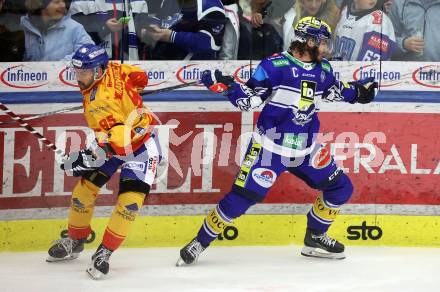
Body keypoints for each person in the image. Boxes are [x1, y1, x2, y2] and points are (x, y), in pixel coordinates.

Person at [176, 16, 377, 266]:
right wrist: (226, 87)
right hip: (269, 149)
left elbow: (335, 89)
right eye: (322, 43)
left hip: (306, 149)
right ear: (307, 41)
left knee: (341, 187)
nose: (326, 49)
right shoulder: (274, 66)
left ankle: (315, 236)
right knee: (241, 198)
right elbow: (250, 100)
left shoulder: (323, 69)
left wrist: (359, 92)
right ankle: (199, 242)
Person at [46, 44, 160, 279]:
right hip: (113, 140)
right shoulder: (116, 68)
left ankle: (104, 252)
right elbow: (141, 78)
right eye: (76, 71)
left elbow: (118, 144)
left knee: (129, 203)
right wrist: (130, 95)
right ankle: (76, 240)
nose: (79, 77)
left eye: (84, 72)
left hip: (140, 147)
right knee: (83, 192)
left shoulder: (100, 104)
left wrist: (86, 159)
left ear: (98, 70)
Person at [142, 0, 226, 60]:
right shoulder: (167, 2)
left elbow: (208, 43)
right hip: (159, 67)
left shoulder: (211, 4)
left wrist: (172, 36)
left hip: (193, 72)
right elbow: (162, 21)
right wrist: (150, 29)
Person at [69, 0, 149, 61]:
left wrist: (148, 33)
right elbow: (74, 31)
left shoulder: (139, 2)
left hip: (129, 65)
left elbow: (145, 41)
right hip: (93, 66)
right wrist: (104, 27)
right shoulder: (80, 2)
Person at [20, 0, 93, 61]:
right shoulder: (23, 26)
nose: (63, 5)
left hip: (62, 77)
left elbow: (90, 52)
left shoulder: (74, 28)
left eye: (63, 1)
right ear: (42, 6)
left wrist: (59, 66)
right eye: (57, 2)